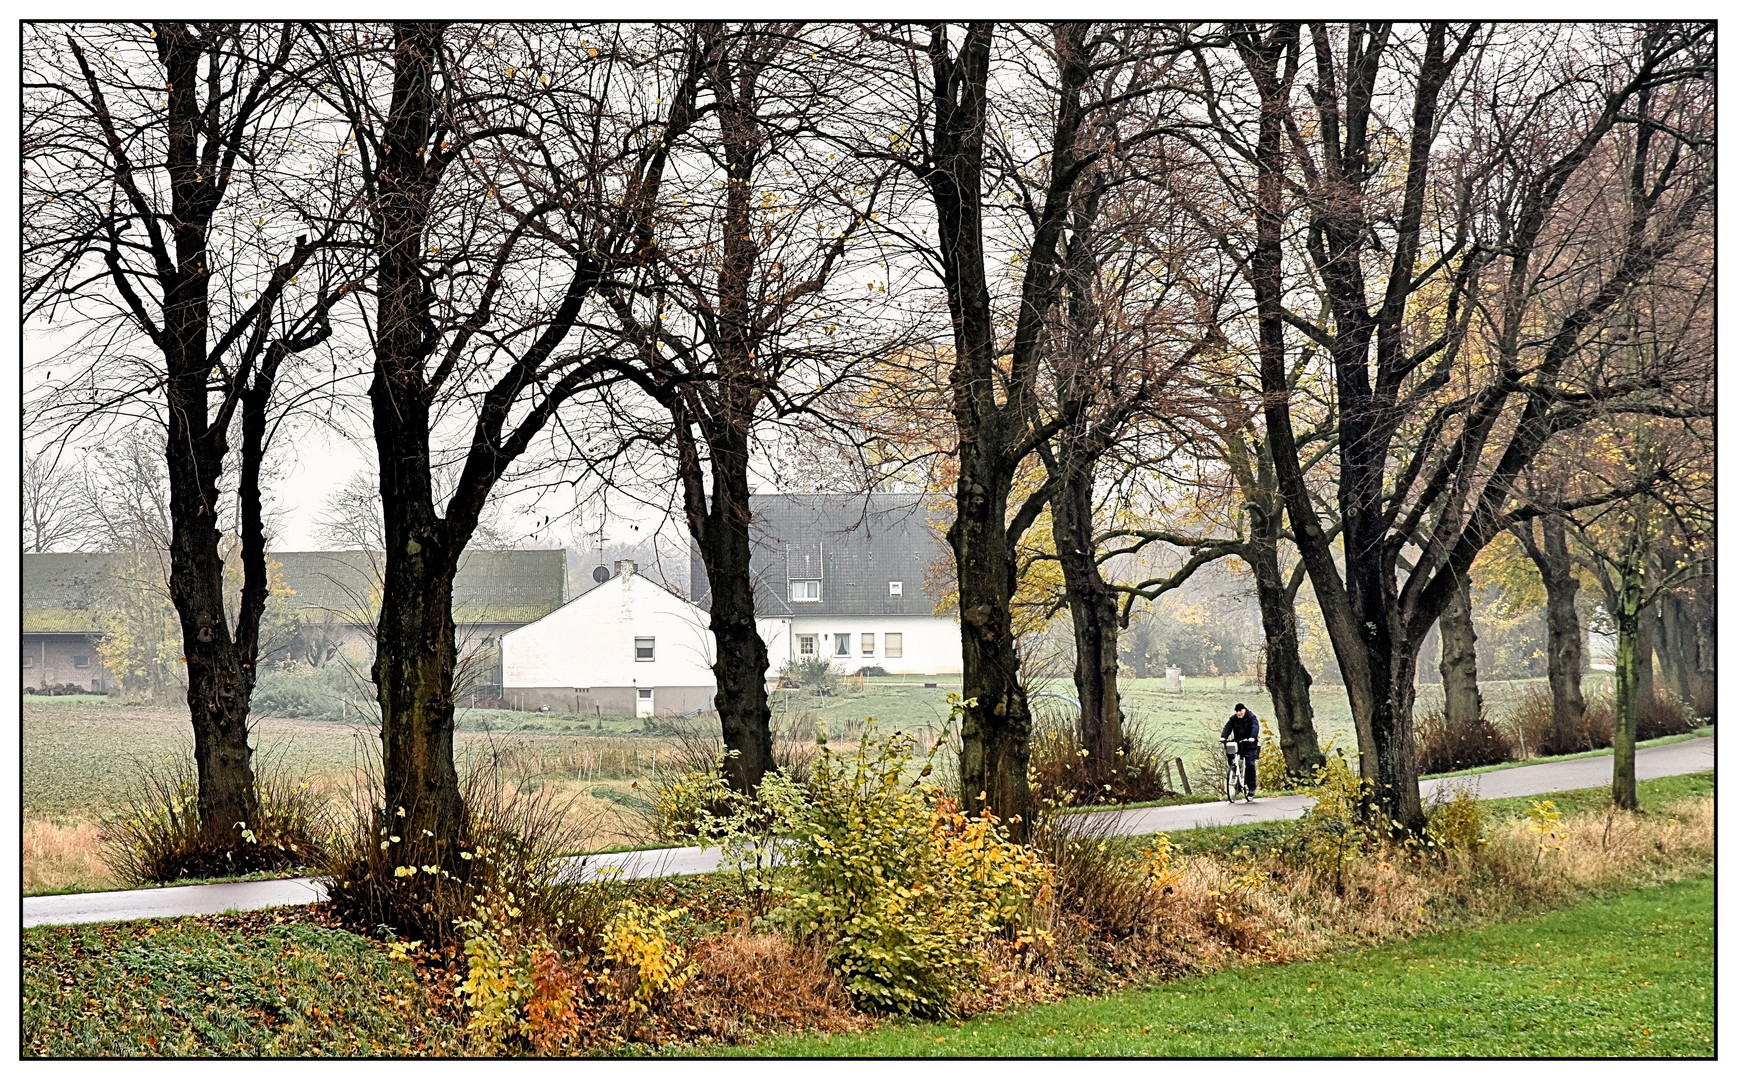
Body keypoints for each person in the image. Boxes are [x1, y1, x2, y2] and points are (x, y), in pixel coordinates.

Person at [1221, 702, 1260, 800]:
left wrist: (1252, 737)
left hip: (1249, 743)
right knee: (1230, 750)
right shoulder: (1233, 719)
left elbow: (1255, 727)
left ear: (1244, 710)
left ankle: (1251, 788)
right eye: (1237, 712)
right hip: (1238, 742)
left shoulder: (1251, 717)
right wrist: (1223, 737)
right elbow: (1228, 727)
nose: (1238, 713)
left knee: (1250, 763)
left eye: (1240, 711)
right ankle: (1234, 770)